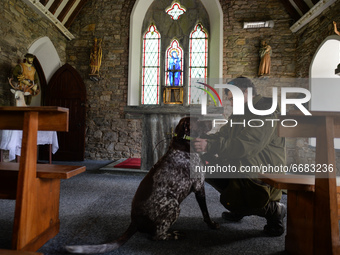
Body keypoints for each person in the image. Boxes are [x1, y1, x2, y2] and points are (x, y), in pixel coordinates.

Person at [193, 76, 286, 236]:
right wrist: (203, 139)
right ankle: (240, 203)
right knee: (203, 166)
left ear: (247, 92)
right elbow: (224, 135)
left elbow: (246, 145)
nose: (230, 103)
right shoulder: (240, 113)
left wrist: (211, 146)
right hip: (247, 164)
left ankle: (275, 210)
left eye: (232, 99)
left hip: (263, 171)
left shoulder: (266, 111)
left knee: (228, 167)